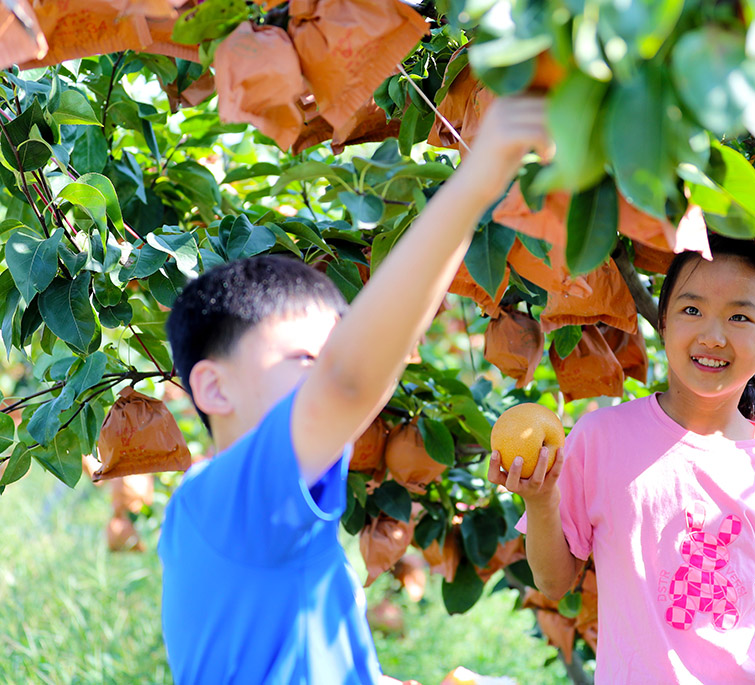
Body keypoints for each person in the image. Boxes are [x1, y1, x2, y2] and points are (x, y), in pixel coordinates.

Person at [159, 96, 548, 685]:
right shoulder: (233, 492)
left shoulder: (244, 510)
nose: (322, 377)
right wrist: (480, 178)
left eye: (328, 354)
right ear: (214, 386)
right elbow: (348, 381)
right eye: (303, 359)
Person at [489, 235, 755, 684]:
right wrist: (541, 500)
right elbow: (553, 582)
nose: (713, 335)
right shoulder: (600, 438)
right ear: (663, 322)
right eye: (692, 310)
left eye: (740, 316)